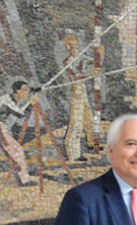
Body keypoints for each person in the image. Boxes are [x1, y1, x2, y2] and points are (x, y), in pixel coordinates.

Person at [0, 80, 36, 189]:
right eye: (24, 90)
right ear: (16, 91)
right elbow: (20, 113)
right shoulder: (6, 100)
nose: (26, 93)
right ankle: (24, 180)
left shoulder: (10, 100)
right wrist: (31, 104)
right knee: (16, 151)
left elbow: (19, 110)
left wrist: (30, 100)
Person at [62, 34, 98, 162]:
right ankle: (73, 154)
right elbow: (75, 77)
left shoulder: (81, 56)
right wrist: (90, 74)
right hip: (76, 90)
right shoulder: (67, 61)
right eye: (69, 45)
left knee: (88, 118)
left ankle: (91, 144)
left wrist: (98, 55)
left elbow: (94, 61)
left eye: (73, 44)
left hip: (82, 91)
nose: (72, 47)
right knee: (76, 122)